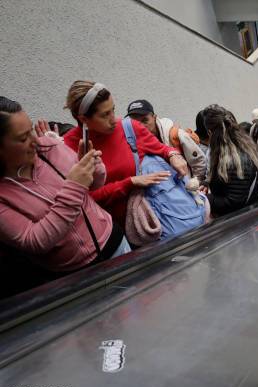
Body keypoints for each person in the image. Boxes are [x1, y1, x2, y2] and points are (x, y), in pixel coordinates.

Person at [0, 96, 130, 273]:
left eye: (31, 130)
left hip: (114, 242)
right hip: (74, 274)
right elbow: (35, 241)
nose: (36, 140)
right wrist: (74, 186)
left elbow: (95, 185)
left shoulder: (50, 147)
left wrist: (92, 165)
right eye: (23, 139)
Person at [63, 81, 188, 230]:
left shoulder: (129, 128)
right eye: (105, 115)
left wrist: (174, 156)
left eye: (113, 110)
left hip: (150, 223)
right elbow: (84, 200)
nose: (113, 119)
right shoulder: (67, 147)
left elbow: (163, 149)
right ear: (84, 119)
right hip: (108, 233)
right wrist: (130, 182)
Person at [200, 105, 258, 217]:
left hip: (245, 221)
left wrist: (205, 198)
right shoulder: (236, 148)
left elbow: (233, 202)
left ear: (210, 133)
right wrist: (207, 182)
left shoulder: (236, 160)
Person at [126, 99, 207, 183]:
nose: (141, 126)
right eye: (135, 122)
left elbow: (199, 163)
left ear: (154, 117)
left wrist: (194, 184)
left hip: (185, 190)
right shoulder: (130, 143)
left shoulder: (175, 134)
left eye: (145, 120)